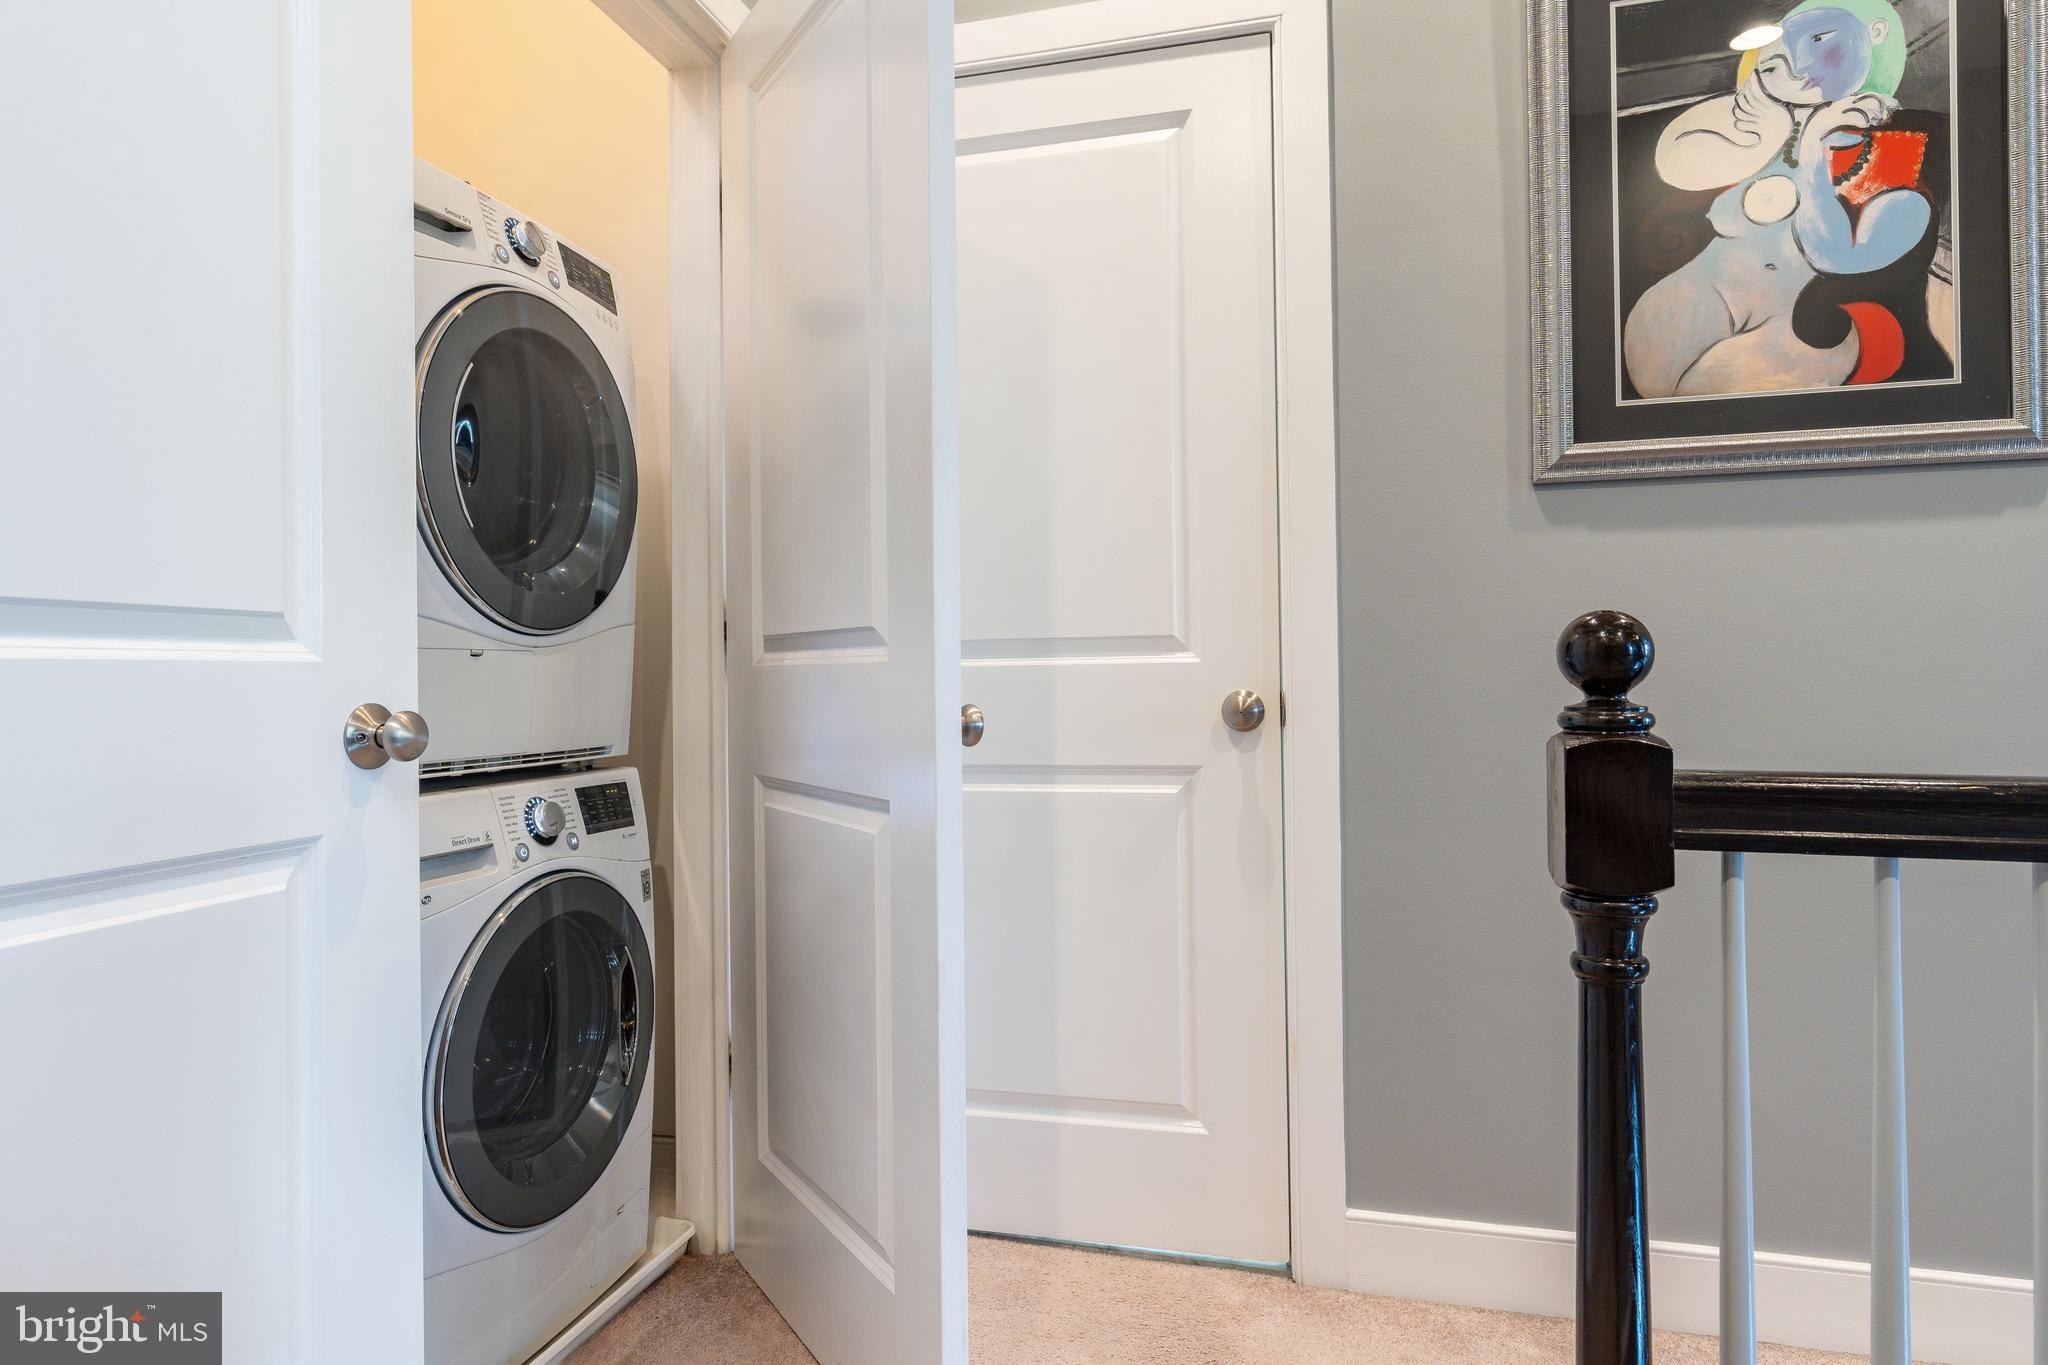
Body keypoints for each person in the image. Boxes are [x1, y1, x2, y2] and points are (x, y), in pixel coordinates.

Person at [1622, 0, 1945, 399]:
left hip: (1794, 324)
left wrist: (1813, 151)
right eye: (1774, 60)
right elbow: (1702, 188)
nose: (1798, 63)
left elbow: (1836, 256)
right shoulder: (1770, 138)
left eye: (1819, 38)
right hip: (1697, 292)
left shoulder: (1893, 155)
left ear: (1873, 36)